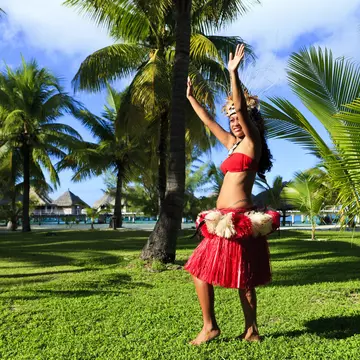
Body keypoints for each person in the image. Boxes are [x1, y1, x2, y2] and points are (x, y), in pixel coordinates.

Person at [184, 44, 280, 345]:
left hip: (239, 221)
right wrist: (191, 99)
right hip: (220, 222)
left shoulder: (252, 143)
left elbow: (239, 107)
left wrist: (233, 73)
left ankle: (251, 329)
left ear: (251, 121)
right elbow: (208, 122)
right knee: (199, 270)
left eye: (239, 118)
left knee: (245, 280)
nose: (234, 121)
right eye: (232, 120)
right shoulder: (233, 144)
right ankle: (210, 326)